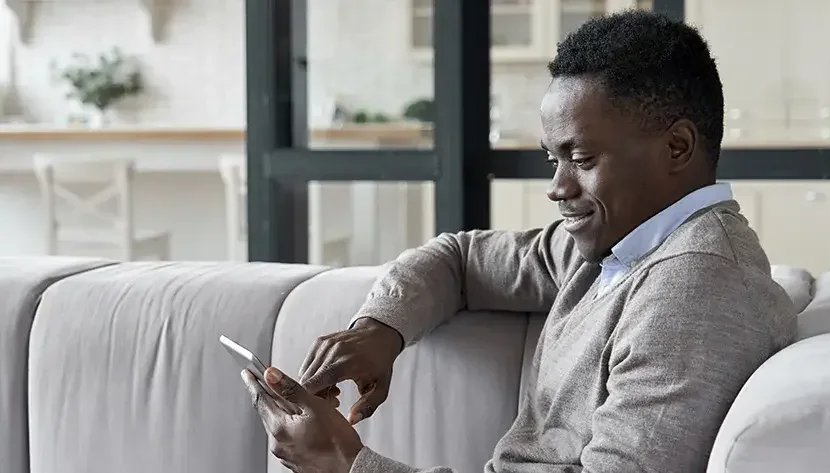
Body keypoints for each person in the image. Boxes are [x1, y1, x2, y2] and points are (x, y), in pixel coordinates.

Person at [240, 10, 798, 473]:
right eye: (552, 159)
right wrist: (379, 331)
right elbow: (459, 260)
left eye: (581, 159)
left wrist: (344, 460)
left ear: (677, 148)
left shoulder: (695, 291)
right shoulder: (621, 247)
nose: (557, 187)